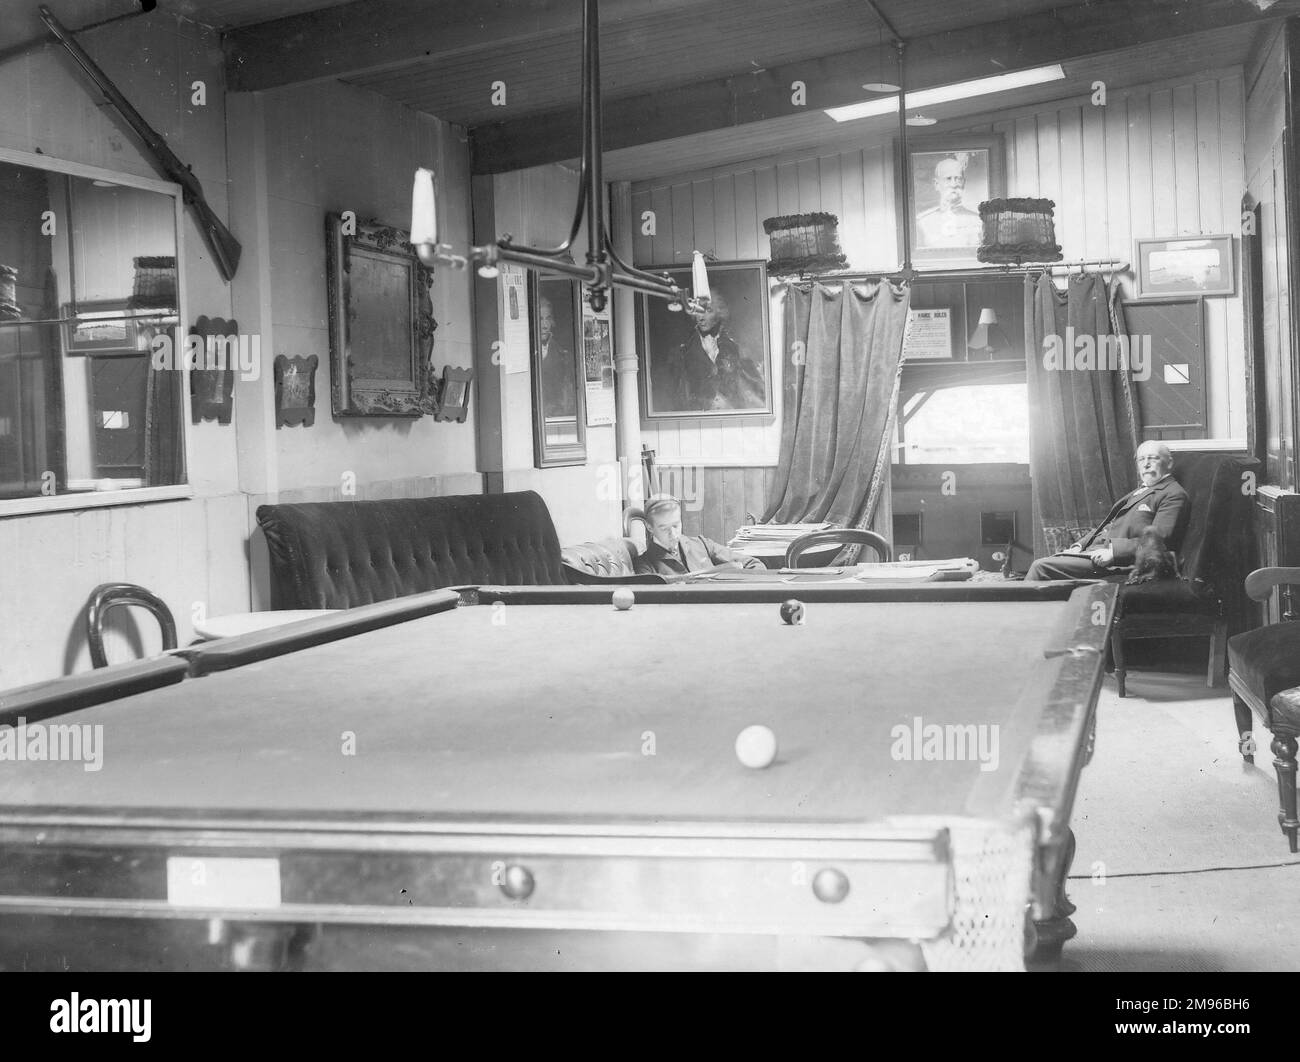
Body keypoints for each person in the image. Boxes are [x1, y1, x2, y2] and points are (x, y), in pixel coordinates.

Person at [1024, 441, 1190, 582]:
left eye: (1153, 458)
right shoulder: (1140, 491)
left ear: (1169, 463)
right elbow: (1109, 526)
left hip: (1124, 562)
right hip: (1096, 552)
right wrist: (1079, 546)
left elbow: (1159, 542)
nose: (1146, 464)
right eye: (1141, 459)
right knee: (1048, 562)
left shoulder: (1173, 494)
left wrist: (1113, 552)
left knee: (1041, 567)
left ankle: (1025, 618)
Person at [674, 291, 765, 411]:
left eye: (708, 311)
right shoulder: (683, 351)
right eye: (698, 311)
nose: (701, 317)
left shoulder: (735, 347)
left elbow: (754, 385)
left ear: (719, 313)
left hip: (732, 415)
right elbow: (679, 395)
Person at [633, 495, 765, 576]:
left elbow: (754, 564)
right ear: (649, 527)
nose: (673, 535)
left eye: (676, 525)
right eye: (664, 528)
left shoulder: (702, 544)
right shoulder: (644, 566)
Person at [916, 155, 982, 249]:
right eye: (948, 179)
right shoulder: (923, 222)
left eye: (958, 179)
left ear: (964, 183)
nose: (954, 184)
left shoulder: (978, 220)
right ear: (937, 184)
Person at [538, 296, 575, 418]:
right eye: (540, 319)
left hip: (556, 418)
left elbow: (568, 398)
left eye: (547, 319)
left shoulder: (564, 356)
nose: (544, 325)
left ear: (552, 321)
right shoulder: (524, 354)